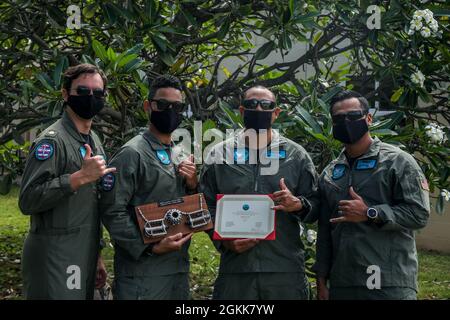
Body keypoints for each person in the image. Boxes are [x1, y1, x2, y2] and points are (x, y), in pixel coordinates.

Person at [200, 85, 319, 300]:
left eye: (266, 105)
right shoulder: (219, 154)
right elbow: (204, 205)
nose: (259, 108)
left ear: (276, 113)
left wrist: (299, 204)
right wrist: (222, 241)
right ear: (242, 111)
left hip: (284, 270)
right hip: (236, 269)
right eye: (251, 104)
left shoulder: (296, 156)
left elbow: (317, 204)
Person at [315, 90, 430, 300]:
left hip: (388, 282)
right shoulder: (331, 173)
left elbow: (418, 214)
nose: (346, 122)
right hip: (343, 283)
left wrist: (370, 212)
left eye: (353, 116)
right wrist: (321, 279)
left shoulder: (398, 162)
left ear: (368, 118)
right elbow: (325, 230)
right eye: (339, 118)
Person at [18, 63, 113, 299]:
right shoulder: (52, 142)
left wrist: (96, 255)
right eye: (82, 91)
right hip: (55, 256)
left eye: (97, 93)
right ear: (65, 94)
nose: (90, 97)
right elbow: (28, 200)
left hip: (84, 252)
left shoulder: (94, 139)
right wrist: (78, 177)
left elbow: (90, 205)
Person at [99, 74, 198, 300]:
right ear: (148, 106)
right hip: (142, 274)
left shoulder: (180, 153)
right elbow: (111, 210)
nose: (170, 111)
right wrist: (148, 248)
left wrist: (192, 185)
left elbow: (186, 207)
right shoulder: (131, 153)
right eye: (162, 104)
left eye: (177, 106)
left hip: (177, 271)